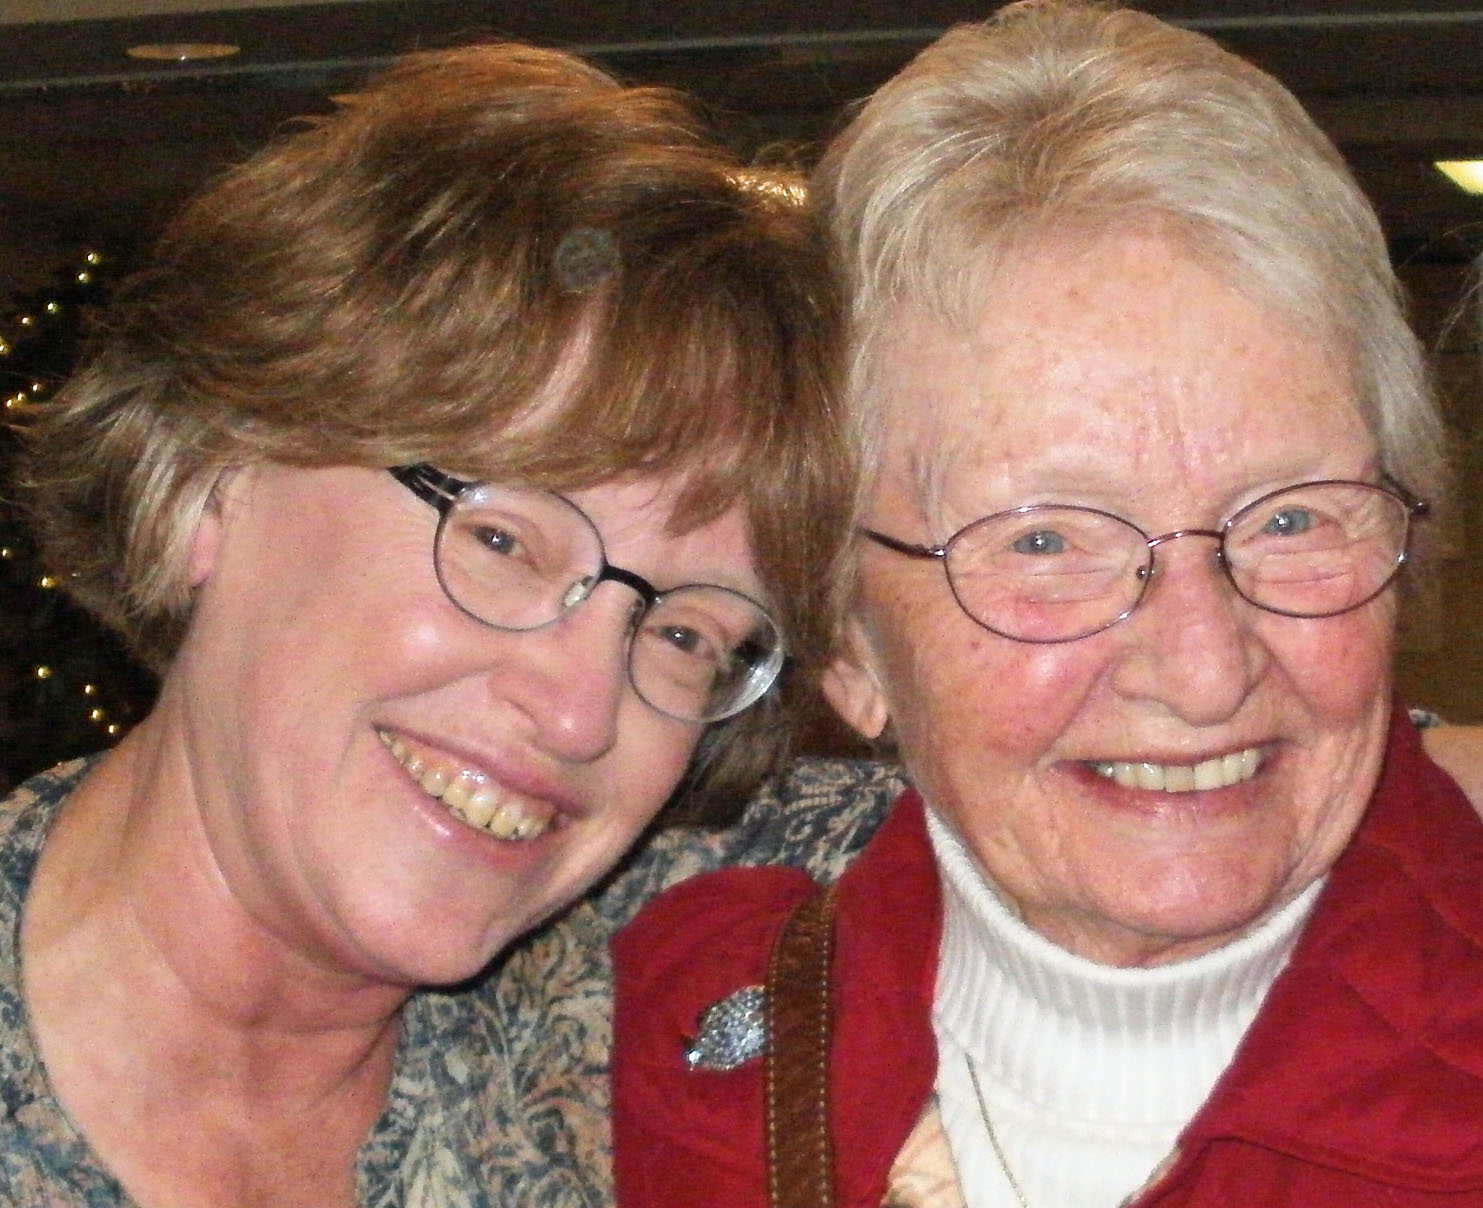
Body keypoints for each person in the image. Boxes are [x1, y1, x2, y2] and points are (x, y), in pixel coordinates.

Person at [609, 3, 1483, 1205]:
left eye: (1289, 519)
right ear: (849, 638)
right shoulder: (676, 1038)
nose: (1203, 670)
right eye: (1044, 540)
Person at [1, 40, 854, 1207]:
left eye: (683, 635)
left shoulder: (697, 985)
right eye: (505, 541)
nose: (579, 711)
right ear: (210, 479)